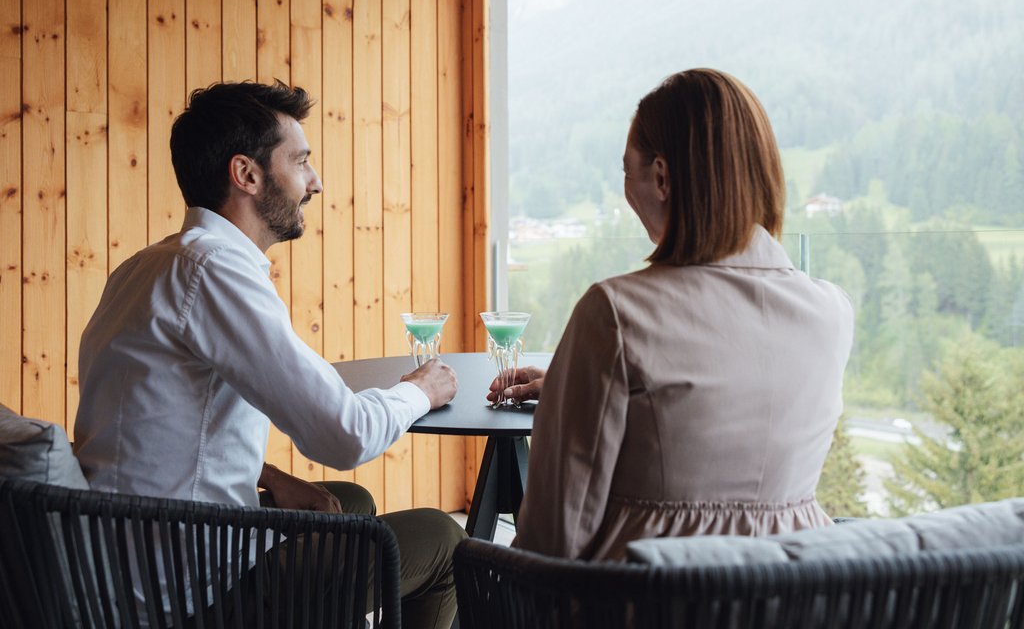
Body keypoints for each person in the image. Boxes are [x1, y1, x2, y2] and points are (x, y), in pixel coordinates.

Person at [74, 81, 465, 628]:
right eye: (300, 161)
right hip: (185, 586)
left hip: (118, 552)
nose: (315, 181)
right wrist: (420, 390)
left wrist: (269, 474)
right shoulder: (215, 272)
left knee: (346, 503)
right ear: (247, 175)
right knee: (444, 539)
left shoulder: (148, 265)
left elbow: (152, 424)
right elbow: (344, 434)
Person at [493, 68, 855, 561]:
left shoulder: (616, 314)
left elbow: (553, 540)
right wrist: (574, 389)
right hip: (792, 592)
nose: (626, 190)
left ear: (661, 177)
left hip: (647, 594)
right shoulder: (832, 313)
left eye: (627, 171)